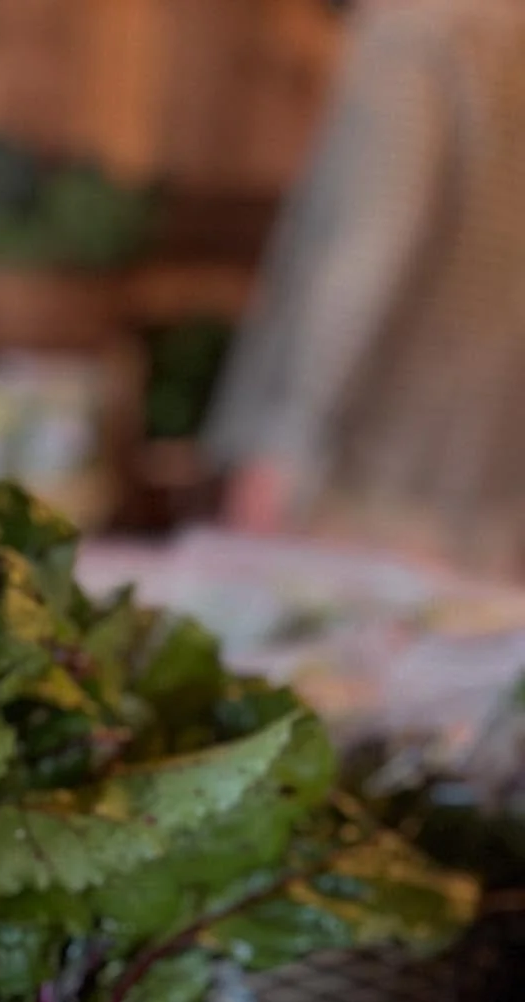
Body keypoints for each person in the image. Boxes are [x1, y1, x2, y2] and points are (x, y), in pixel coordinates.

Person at [206, 0, 525, 577]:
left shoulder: (409, 31)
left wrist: (287, 444)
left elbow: (372, 243)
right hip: (494, 478)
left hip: (377, 478)